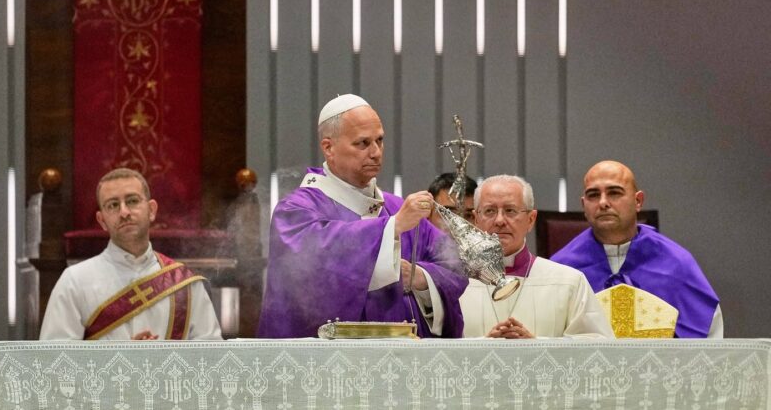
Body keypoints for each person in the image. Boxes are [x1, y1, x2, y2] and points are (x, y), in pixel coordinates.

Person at [258, 94, 468, 338]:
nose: (376, 152)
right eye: (362, 143)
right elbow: (309, 276)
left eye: (380, 141)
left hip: (401, 362)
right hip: (330, 364)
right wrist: (392, 228)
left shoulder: (396, 207)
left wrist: (420, 278)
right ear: (328, 147)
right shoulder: (296, 211)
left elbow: (454, 266)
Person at [40, 168, 222, 340]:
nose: (124, 212)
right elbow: (55, 362)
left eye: (132, 201)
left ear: (151, 210)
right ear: (102, 220)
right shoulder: (74, 281)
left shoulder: (184, 284)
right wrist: (125, 358)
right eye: (112, 205)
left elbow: (211, 357)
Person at [551, 160, 722, 338]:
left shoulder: (677, 264)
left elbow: (709, 335)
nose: (603, 203)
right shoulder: (561, 269)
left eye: (614, 193)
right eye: (593, 195)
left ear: (638, 201)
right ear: (583, 205)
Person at [460, 174, 614, 339]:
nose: (499, 220)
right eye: (490, 211)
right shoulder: (453, 284)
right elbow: (435, 350)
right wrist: (483, 346)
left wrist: (537, 346)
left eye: (510, 211)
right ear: (476, 220)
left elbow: (598, 348)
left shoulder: (570, 281)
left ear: (531, 219)